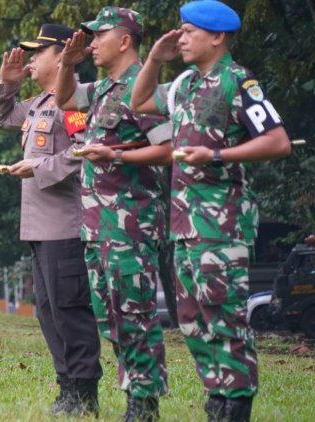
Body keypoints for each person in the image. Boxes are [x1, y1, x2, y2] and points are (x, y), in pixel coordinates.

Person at [130, 1, 292, 421]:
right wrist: (152, 58)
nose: (180, 38)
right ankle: (216, 398)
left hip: (222, 226)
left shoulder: (238, 82)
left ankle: (235, 404)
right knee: (191, 319)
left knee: (224, 317)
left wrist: (216, 155)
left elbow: (278, 142)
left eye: (188, 31)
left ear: (217, 36)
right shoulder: (185, 84)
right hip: (184, 225)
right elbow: (141, 100)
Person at [54, 6, 174, 421]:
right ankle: (134, 398)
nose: (92, 43)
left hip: (131, 227)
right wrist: (67, 65)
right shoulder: (105, 88)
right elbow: (65, 99)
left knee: (135, 315)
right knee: (112, 319)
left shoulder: (141, 88)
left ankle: (144, 405)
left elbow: (168, 149)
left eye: (99, 35)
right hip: (98, 226)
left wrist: (117, 156)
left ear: (125, 40)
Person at [0, 24, 103, 417]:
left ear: (61, 54)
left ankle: (85, 392)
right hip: (38, 226)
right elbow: (4, 117)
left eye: (38, 53)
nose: (31, 59)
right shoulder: (39, 103)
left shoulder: (73, 102)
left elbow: (84, 150)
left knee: (70, 310)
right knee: (48, 311)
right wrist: (5, 85)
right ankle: (67, 386)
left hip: (65, 225)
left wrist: (37, 168)